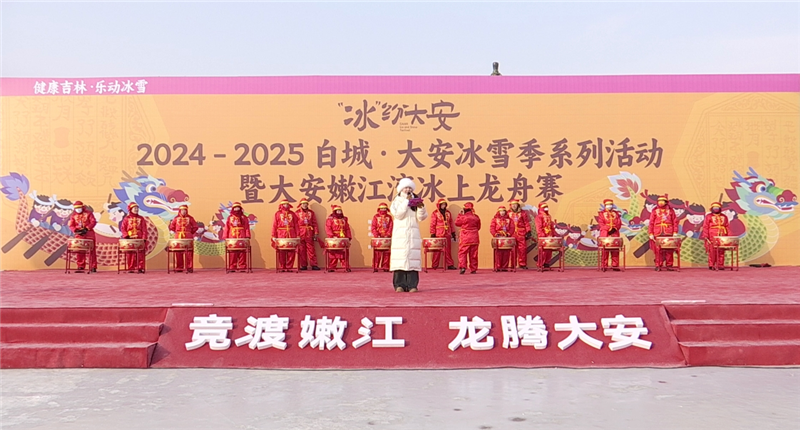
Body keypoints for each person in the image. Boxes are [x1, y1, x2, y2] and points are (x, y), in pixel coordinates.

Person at [389, 177, 428, 292]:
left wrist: (420, 207)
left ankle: (412, 285)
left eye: (410, 188)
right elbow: (398, 214)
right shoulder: (396, 201)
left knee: (412, 260)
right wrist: (406, 201)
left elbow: (421, 217)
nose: (408, 190)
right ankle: (399, 285)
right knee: (400, 259)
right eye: (405, 188)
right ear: (401, 189)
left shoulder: (415, 200)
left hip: (413, 235)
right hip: (400, 235)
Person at [648, 195, 678, 271]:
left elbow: (675, 221)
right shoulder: (654, 211)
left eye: (662, 201)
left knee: (669, 250)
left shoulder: (671, 211)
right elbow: (651, 222)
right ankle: (658, 265)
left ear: (666, 202)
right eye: (659, 201)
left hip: (668, 232)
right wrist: (651, 233)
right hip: (658, 232)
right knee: (658, 250)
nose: (661, 202)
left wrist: (675, 232)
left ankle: (669, 265)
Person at [67, 200, 97, 272]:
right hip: (79, 235)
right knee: (79, 250)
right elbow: (71, 225)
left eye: (79, 207)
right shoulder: (73, 216)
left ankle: (93, 266)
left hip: (89, 233)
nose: (78, 209)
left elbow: (93, 222)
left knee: (92, 251)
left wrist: (87, 228)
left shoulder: (89, 213)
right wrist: (76, 230)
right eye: (76, 208)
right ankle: (80, 265)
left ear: (82, 207)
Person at [271, 199, 300, 272]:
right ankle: (282, 266)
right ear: (281, 205)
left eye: (287, 204)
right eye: (284, 204)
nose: (286, 205)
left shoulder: (292, 214)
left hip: (291, 233)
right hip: (281, 233)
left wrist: (298, 234)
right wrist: (273, 235)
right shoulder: (277, 214)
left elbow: (296, 224)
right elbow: (274, 225)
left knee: (291, 251)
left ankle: (289, 267)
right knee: (281, 251)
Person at [168, 204, 198, 272]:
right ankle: (179, 267)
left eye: (185, 210)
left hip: (188, 236)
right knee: (178, 252)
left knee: (189, 252)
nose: (183, 211)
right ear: (180, 211)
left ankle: (189, 267)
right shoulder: (176, 218)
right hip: (178, 236)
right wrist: (177, 232)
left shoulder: (190, 218)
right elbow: (171, 227)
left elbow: (195, 227)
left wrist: (190, 232)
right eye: (182, 210)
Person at [429, 198, 457, 270]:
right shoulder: (435, 213)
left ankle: (450, 264)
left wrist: (453, 232)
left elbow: (451, 223)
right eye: (442, 204)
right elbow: (432, 224)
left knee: (448, 250)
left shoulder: (448, 213)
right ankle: (435, 265)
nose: (443, 206)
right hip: (439, 233)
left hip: (447, 233)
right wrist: (432, 233)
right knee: (437, 250)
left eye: (444, 204)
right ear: (439, 205)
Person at [223, 202, 251, 272]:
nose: (237, 209)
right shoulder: (230, 218)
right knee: (233, 252)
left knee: (242, 252)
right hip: (232, 235)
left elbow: (247, 227)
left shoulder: (244, 217)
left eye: (238, 207)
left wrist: (247, 236)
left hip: (242, 235)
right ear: (233, 209)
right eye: (235, 208)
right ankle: (232, 266)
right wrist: (226, 236)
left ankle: (242, 266)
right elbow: (227, 227)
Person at [120, 202, 147, 273]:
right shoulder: (126, 219)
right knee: (130, 254)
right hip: (130, 238)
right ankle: (131, 268)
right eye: (134, 208)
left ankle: (140, 267)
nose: (136, 209)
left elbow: (144, 229)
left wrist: (144, 238)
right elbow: (123, 228)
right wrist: (126, 236)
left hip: (139, 238)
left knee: (140, 253)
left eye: (137, 208)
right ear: (130, 209)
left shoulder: (141, 218)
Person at [702, 201, 729, 269]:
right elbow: (705, 226)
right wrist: (705, 235)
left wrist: (728, 236)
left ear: (720, 208)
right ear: (712, 208)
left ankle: (720, 265)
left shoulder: (724, 216)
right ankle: (712, 264)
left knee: (721, 250)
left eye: (717, 208)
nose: (716, 209)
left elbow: (727, 226)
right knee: (712, 250)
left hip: (722, 234)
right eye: (714, 208)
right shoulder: (708, 216)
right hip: (712, 235)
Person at [455, 202, 481, 274]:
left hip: (465, 237)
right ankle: (473, 269)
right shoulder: (476, 217)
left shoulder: (463, 217)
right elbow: (478, 227)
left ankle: (463, 267)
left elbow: (457, 223)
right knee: (474, 254)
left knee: (462, 253)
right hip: (474, 237)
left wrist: (460, 214)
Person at [295, 198, 320, 271]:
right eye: (303, 204)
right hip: (301, 232)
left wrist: (316, 233)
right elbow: (295, 224)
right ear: (300, 205)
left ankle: (314, 264)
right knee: (301, 250)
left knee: (311, 249)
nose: (305, 205)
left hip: (309, 232)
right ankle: (303, 265)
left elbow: (314, 223)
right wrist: (297, 234)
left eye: (306, 204)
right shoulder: (296, 213)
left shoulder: (311, 213)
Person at [325, 205, 352, 272]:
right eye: (338, 211)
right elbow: (328, 228)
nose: (339, 212)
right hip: (334, 237)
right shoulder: (330, 219)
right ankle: (331, 267)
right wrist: (332, 236)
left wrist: (348, 237)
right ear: (335, 211)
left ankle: (346, 266)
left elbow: (347, 228)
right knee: (333, 253)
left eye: (340, 211)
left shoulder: (344, 219)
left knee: (344, 253)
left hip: (343, 237)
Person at [598, 198, 622, 271]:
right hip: (605, 233)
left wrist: (615, 228)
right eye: (608, 205)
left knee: (615, 250)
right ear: (605, 205)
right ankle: (604, 265)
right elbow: (601, 223)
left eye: (611, 204)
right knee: (605, 250)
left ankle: (615, 265)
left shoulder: (616, 213)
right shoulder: (601, 214)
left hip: (614, 232)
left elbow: (619, 222)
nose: (609, 206)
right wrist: (608, 229)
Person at [489, 205, 515, 271]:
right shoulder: (495, 219)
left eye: (503, 211)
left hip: (506, 238)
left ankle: (504, 267)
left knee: (506, 253)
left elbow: (512, 228)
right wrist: (495, 234)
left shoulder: (509, 220)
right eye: (501, 211)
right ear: (498, 212)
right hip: (498, 238)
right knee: (498, 253)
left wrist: (509, 233)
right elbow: (492, 228)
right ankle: (498, 266)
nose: (502, 213)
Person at [508, 199, 532, 269]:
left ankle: (522, 264)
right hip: (512, 233)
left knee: (522, 249)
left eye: (515, 204)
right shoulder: (508, 213)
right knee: (512, 249)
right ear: (510, 206)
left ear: (517, 205)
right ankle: (513, 264)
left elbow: (526, 222)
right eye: (512, 205)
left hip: (521, 233)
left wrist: (528, 231)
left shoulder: (522, 213)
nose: (514, 206)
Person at [371, 202, 393, 272]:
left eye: (384, 208)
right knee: (377, 253)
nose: (383, 210)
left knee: (387, 252)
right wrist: (376, 235)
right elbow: (373, 227)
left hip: (387, 237)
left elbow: (391, 226)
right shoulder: (376, 217)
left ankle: (385, 266)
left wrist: (388, 234)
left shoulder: (389, 217)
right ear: (379, 209)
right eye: (382, 208)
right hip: (378, 237)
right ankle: (376, 266)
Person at [534, 202, 555, 270]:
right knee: (543, 251)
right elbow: (539, 228)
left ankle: (547, 263)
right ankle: (540, 264)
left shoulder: (549, 216)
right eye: (544, 207)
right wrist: (542, 236)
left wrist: (553, 234)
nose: (546, 208)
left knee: (549, 250)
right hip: (543, 236)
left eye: (546, 207)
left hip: (550, 235)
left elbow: (551, 226)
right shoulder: (539, 217)